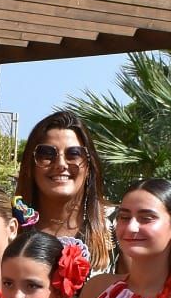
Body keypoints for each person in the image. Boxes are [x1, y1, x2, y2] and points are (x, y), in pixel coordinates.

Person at [13, 110, 111, 266]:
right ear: (29, 167)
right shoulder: (8, 227)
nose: (60, 164)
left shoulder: (119, 226)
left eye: (74, 154)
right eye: (46, 154)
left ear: (89, 167)